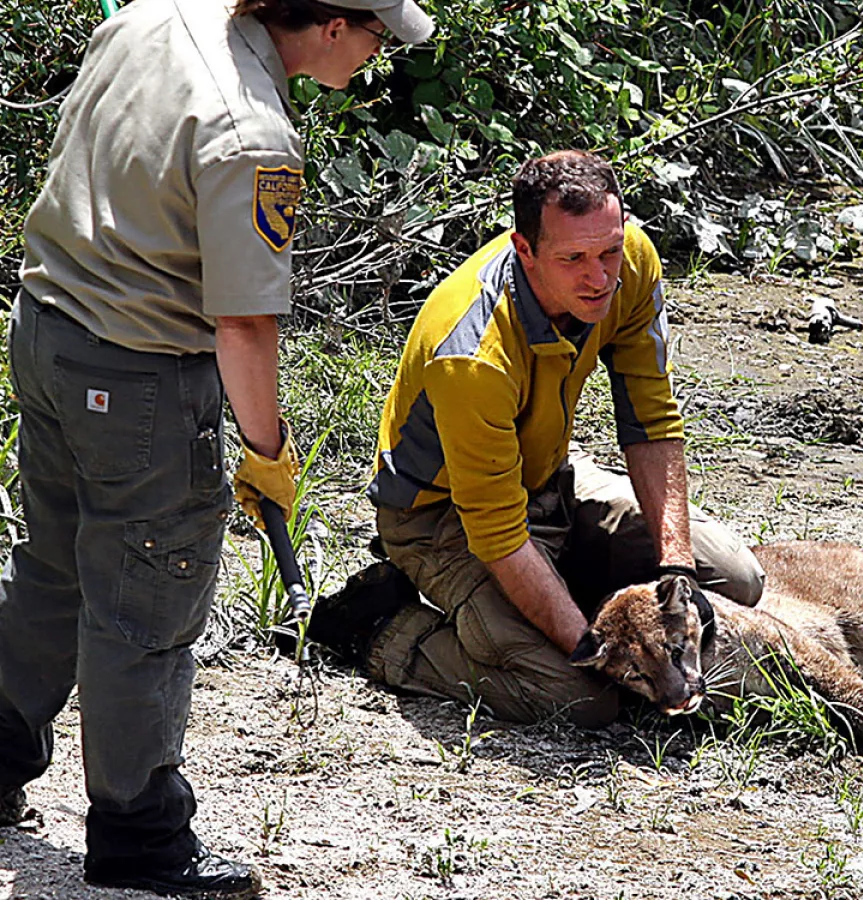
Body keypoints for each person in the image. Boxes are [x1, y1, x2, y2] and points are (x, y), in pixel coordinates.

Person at [0, 0, 433, 897]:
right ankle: (140, 835)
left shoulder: (160, 14)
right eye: (378, 36)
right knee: (146, 600)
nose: (379, 55)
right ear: (329, 27)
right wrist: (267, 451)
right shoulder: (252, 135)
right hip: (138, 372)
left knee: (51, 563)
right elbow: (241, 324)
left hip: (45, 330)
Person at [349, 150, 765, 728]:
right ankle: (382, 629)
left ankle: (569, 589)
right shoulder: (472, 354)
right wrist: (591, 651)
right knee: (582, 697)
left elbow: (651, 422)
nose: (600, 278)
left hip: (547, 476)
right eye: (574, 259)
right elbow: (497, 534)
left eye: (609, 251)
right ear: (525, 251)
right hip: (444, 518)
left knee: (736, 579)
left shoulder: (633, 261)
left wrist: (677, 569)